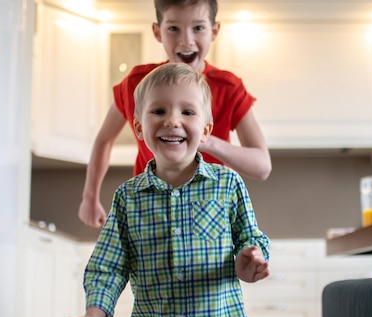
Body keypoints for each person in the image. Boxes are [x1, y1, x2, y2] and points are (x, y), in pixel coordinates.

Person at [63, 62, 271, 317]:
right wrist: (94, 316)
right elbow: (108, 266)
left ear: (205, 129)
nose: (172, 120)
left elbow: (250, 242)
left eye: (187, 111)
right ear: (140, 128)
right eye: (159, 111)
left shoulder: (228, 185)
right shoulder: (128, 198)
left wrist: (250, 263)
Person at [79, 0, 272, 228]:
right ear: (157, 32)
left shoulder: (228, 88)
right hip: (150, 210)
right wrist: (90, 197)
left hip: (210, 215)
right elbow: (104, 139)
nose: (186, 40)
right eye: (173, 28)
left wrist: (205, 141)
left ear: (214, 31)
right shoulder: (136, 84)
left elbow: (262, 167)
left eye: (198, 28)